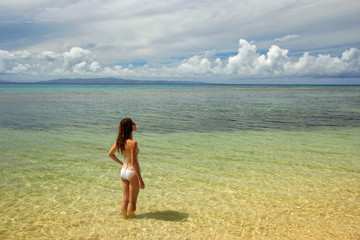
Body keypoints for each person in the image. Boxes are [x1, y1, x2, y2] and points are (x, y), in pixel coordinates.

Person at [108, 118, 145, 219]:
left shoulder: (119, 141)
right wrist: (140, 180)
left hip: (123, 171)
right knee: (132, 201)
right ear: (130, 126)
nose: (135, 124)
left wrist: (121, 164)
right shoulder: (133, 143)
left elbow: (110, 154)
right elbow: (134, 162)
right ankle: (132, 220)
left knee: (125, 199)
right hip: (132, 172)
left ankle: (125, 219)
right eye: (133, 123)